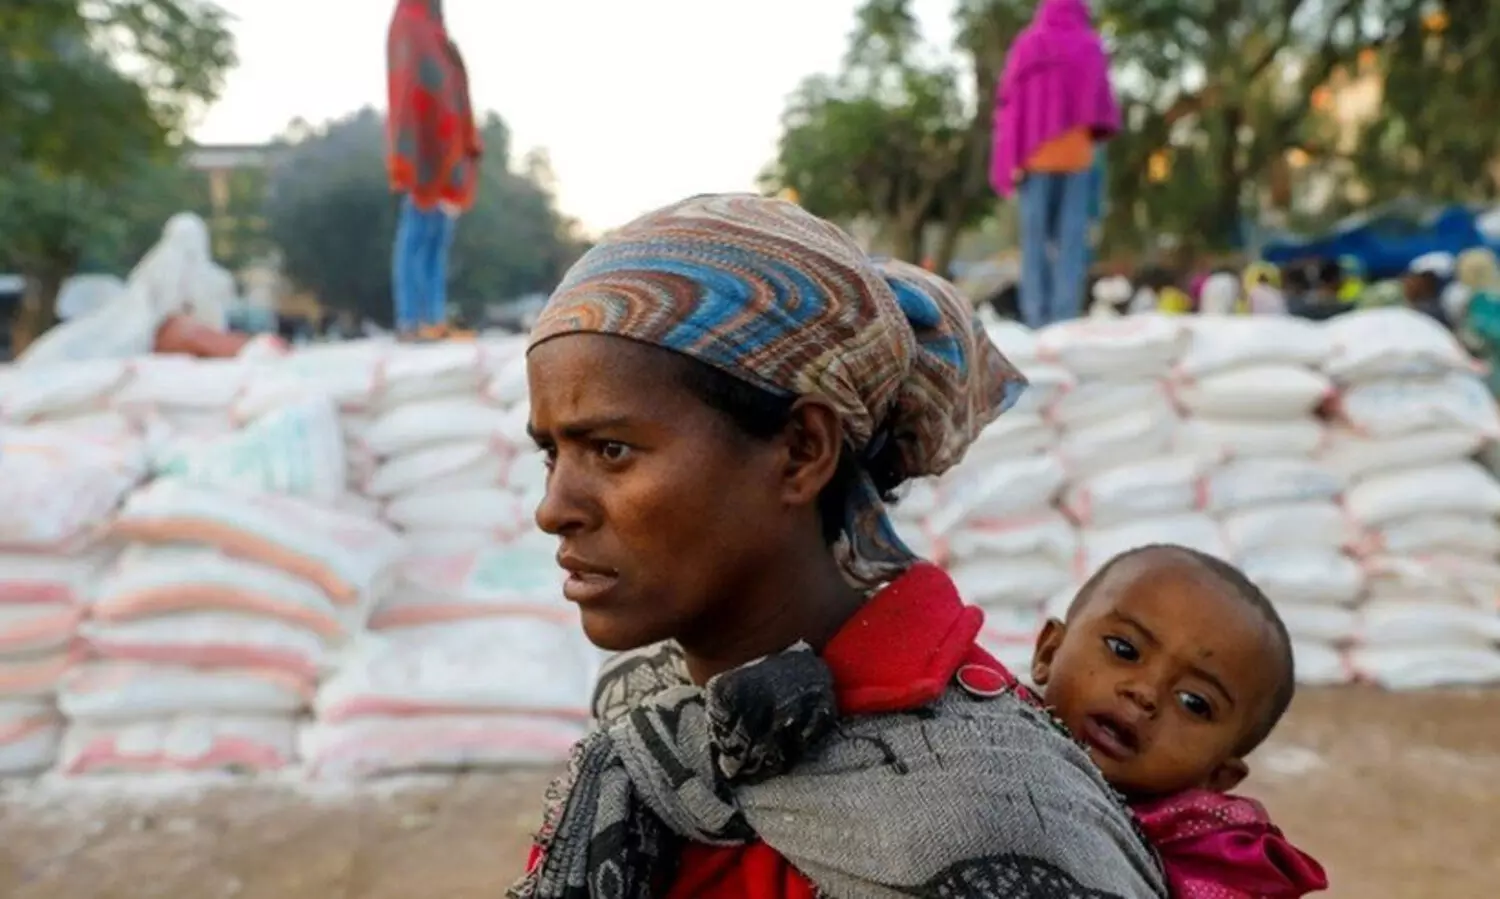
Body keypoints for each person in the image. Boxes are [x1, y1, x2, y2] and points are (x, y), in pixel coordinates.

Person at [512, 194, 1167, 898]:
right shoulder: (652, 721)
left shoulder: (991, 811)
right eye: (552, 453)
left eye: (611, 449)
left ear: (801, 450)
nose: (554, 510)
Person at [1031, 545, 1329, 899]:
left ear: (1218, 776)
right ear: (1050, 651)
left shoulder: (1213, 870)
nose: (1145, 693)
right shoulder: (977, 734)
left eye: (1194, 702)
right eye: (1124, 649)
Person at [992, 0, 1120, 329]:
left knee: (1034, 240)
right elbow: (1101, 101)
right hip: (1077, 156)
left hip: (1035, 157)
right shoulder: (1090, 45)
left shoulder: (1029, 44)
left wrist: (1012, 156)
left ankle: (1036, 315)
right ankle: (1064, 316)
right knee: (1071, 239)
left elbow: (1009, 102)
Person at [386, 0, 481, 340]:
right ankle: (411, 320)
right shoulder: (409, 21)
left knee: (437, 237)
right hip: (423, 143)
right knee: (417, 234)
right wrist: (412, 149)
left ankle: (434, 318)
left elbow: (450, 89)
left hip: (446, 146)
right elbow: (408, 86)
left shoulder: (438, 32)